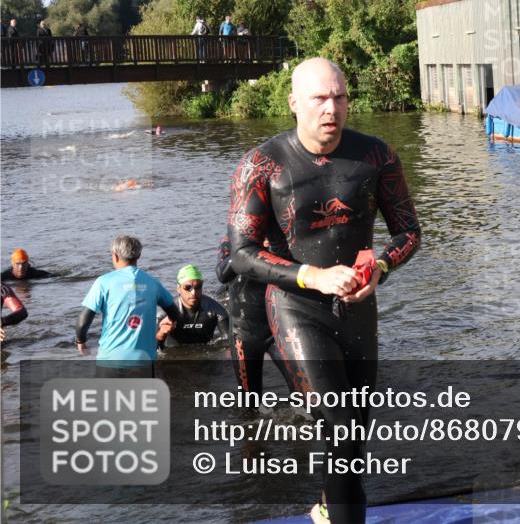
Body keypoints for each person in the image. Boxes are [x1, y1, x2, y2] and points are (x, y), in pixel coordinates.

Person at [227, 57, 421, 523]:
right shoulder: (262, 164)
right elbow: (241, 253)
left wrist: (381, 265)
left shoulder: (377, 157)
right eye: (319, 98)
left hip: (358, 307)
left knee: (354, 436)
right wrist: (310, 276)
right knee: (336, 425)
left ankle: (326, 508)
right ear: (294, 103)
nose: (331, 108)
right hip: (296, 307)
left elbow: (409, 232)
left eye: (339, 96)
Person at [75, 235, 180, 375]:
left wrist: (80, 341)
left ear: (115, 256)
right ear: (139, 255)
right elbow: (173, 311)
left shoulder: (103, 282)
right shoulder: (152, 283)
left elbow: (83, 321)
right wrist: (171, 321)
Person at [216, 235, 295, 399]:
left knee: (301, 389)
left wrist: (271, 250)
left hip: (278, 328)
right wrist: (248, 249)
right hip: (243, 332)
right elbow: (222, 274)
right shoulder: (231, 241)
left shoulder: (281, 238)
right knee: (249, 400)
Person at [155, 265, 229, 348]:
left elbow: (229, 343)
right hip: (176, 355)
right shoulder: (165, 314)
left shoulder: (216, 311)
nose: (193, 292)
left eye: (198, 287)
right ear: (178, 289)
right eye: (187, 287)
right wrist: (160, 334)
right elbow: (151, 349)